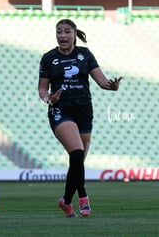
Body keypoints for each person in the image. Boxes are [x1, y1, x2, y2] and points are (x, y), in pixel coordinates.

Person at [38, 19, 122, 217]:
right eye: (59, 32)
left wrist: (112, 86)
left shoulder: (85, 54)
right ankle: (83, 197)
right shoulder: (49, 58)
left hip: (84, 110)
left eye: (67, 32)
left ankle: (66, 201)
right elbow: (42, 89)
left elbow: (102, 82)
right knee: (76, 153)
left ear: (75, 34)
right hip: (60, 110)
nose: (62, 36)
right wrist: (48, 98)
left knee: (77, 162)